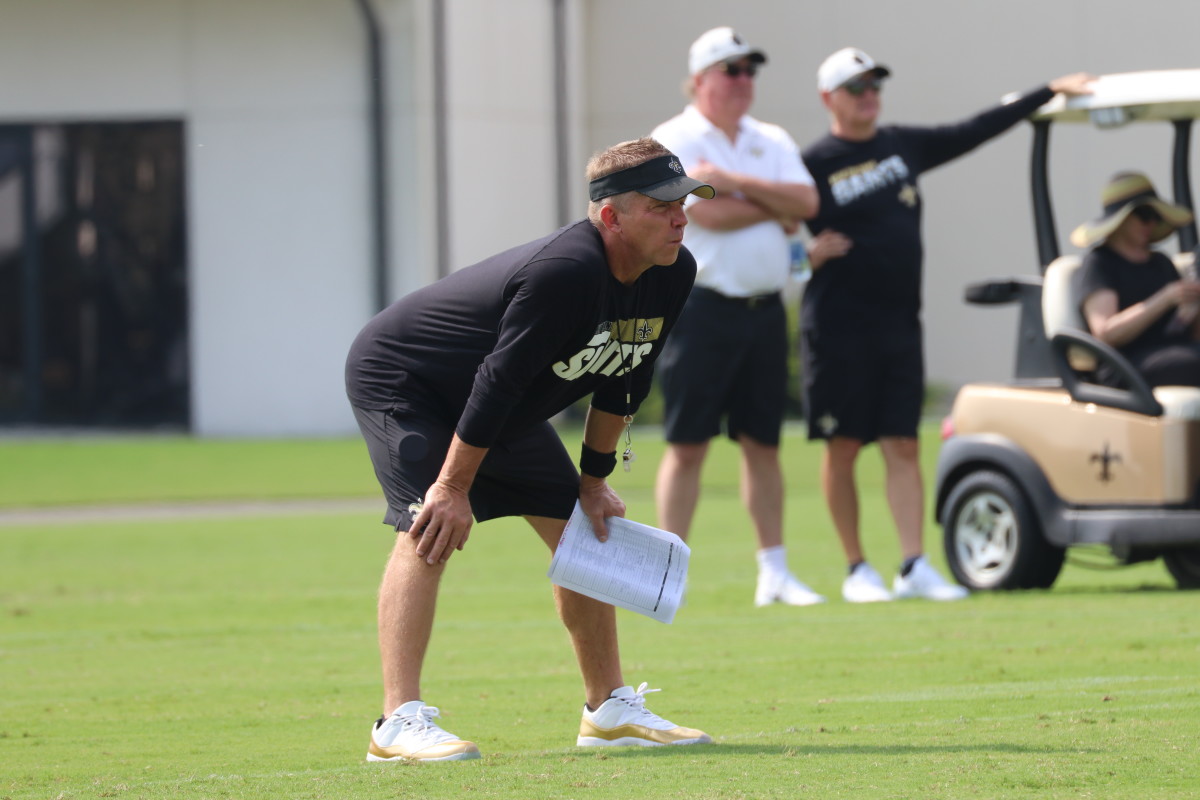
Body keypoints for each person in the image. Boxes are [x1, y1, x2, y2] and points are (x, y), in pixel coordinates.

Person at [345, 137, 715, 762]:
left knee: (583, 528)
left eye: (684, 201)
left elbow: (623, 378)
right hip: (407, 381)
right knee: (430, 524)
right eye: (661, 205)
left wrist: (593, 482)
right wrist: (454, 486)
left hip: (493, 402)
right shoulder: (567, 271)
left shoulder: (673, 271)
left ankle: (609, 710)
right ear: (610, 216)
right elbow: (498, 380)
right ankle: (396, 722)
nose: (680, 216)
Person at [799, 47, 1094, 603]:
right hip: (838, 327)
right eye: (856, 86)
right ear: (828, 98)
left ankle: (913, 565)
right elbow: (758, 222)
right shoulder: (809, 163)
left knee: (903, 443)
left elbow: (974, 129)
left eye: (873, 84)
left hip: (899, 324)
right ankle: (857, 568)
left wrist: (1047, 90)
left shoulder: (900, 145)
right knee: (843, 446)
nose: (869, 94)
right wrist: (800, 258)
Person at [650, 27, 823, 607]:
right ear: (700, 79)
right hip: (701, 309)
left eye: (749, 70)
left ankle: (774, 572)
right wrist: (771, 209)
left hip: (764, 312)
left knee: (763, 444)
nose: (744, 81)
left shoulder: (768, 137)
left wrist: (737, 185)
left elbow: (807, 204)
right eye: (732, 70)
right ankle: (665, 574)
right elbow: (706, 216)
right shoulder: (672, 137)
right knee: (688, 444)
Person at [1072, 171, 1200, 387]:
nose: (1151, 222)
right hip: (1125, 366)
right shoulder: (1100, 264)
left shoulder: (1160, 262)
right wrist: (1165, 298)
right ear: (1120, 220)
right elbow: (1106, 332)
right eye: (1144, 214)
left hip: (1173, 352)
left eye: (1155, 216)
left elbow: (1187, 330)